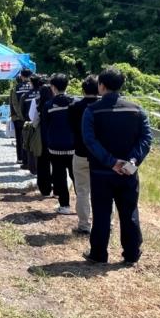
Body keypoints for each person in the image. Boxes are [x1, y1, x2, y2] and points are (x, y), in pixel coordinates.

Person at [82, 67, 153, 265]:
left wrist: (111, 161)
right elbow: (146, 139)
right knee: (129, 211)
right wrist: (133, 161)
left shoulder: (92, 110)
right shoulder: (137, 110)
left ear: (101, 86)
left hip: (101, 171)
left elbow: (89, 140)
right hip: (128, 172)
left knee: (101, 213)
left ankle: (98, 254)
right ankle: (131, 254)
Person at [68, 75, 99, 234]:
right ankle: (107, 223)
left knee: (82, 191)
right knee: (102, 191)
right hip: (100, 155)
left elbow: (71, 127)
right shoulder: (103, 107)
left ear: (83, 89)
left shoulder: (74, 107)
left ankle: (84, 224)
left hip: (80, 152)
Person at [44, 73, 76, 216]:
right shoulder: (75, 103)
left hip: (55, 147)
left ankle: (64, 205)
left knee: (60, 176)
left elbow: (45, 126)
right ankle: (84, 205)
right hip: (74, 147)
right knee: (77, 177)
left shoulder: (49, 105)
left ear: (53, 87)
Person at [29, 81, 54, 197]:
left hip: (42, 138)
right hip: (55, 139)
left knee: (43, 164)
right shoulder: (55, 103)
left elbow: (33, 121)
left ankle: (45, 189)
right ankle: (57, 188)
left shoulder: (38, 104)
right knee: (57, 165)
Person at [10, 69, 34, 164]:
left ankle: (20, 158)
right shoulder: (34, 87)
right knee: (31, 138)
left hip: (18, 117)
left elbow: (14, 103)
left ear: (21, 76)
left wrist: (19, 115)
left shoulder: (16, 88)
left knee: (19, 138)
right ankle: (30, 159)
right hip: (32, 117)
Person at [20, 75, 43, 173]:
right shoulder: (45, 93)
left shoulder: (25, 95)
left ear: (31, 83)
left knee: (29, 145)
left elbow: (21, 110)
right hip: (43, 124)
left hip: (29, 124)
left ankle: (31, 167)